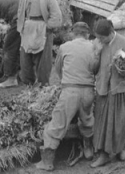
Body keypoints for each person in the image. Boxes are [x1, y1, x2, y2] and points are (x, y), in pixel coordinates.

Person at [38, 22, 99, 171]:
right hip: (88, 91)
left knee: (58, 123)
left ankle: (47, 161)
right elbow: (96, 69)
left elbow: (58, 69)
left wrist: (67, 81)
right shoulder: (94, 47)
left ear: (73, 33)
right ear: (87, 34)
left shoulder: (65, 47)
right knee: (87, 119)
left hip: (70, 90)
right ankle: (88, 148)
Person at [91, 19, 125, 168]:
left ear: (111, 33)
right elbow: (92, 68)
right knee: (103, 123)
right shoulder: (97, 45)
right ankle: (103, 154)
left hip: (121, 90)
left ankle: (121, 149)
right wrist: (97, 54)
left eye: (102, 37)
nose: (100, 40)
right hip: (103, 89)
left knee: (121, 122)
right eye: (97, 37)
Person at [17, 0, 63, 87]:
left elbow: (56, 15)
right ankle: (28, 82)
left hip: (43, 27)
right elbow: (20, 10)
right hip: (28, 27)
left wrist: (47, 27)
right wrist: (22, 26)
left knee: (43, 58)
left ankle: (43, 83)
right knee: (25, 56)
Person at [0, 0, 21, 88]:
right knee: (16, 49)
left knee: (9, 49)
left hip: (19, 21)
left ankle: (11, 79)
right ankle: (8, 75)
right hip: (22, 19)